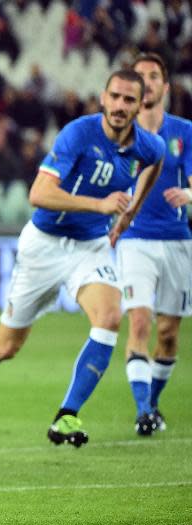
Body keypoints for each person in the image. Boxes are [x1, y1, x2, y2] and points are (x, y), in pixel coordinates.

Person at [0, 69, 165, 447]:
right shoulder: (79, 133)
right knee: (7, 346)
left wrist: (130, 212)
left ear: (141, 105)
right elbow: (39, 194)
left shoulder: (147, 146)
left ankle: (66, 415)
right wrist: (102, 204)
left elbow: (154, 165)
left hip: (89, 247)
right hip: (43, 245)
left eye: (129, 100)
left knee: (109, 317)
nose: (121, 106)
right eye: (115, 97)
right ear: (103, 98)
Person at [117, 53, 192, 435]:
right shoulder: (118, 133)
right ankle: (144, 410)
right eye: (140, 76)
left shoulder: (184, 132)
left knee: (168, 333)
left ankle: (155, 401)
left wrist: (190, 195)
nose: (146, 81)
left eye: (153, 75)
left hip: (178, 241)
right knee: (141, 321)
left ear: (165, 86)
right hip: (135, 241)